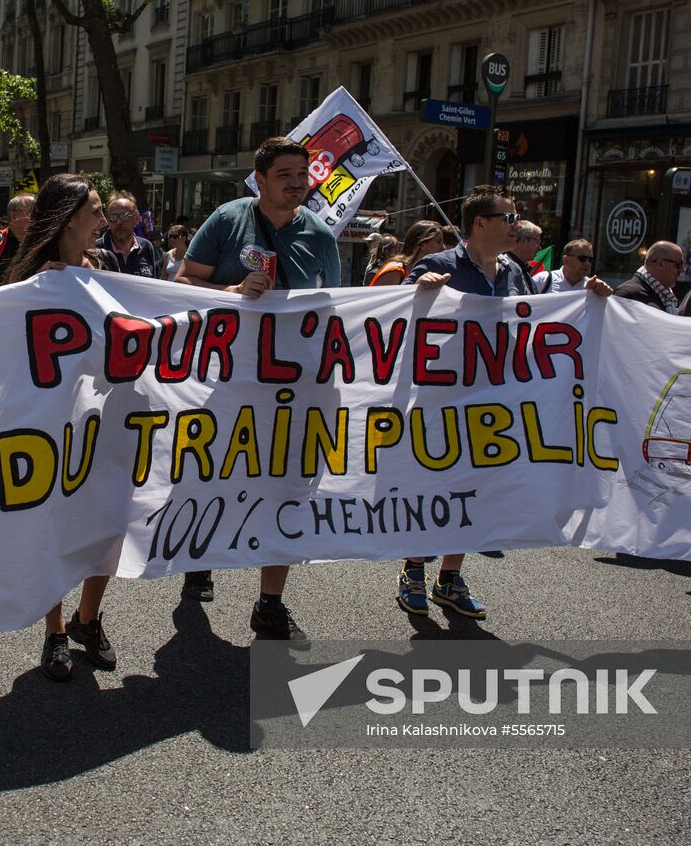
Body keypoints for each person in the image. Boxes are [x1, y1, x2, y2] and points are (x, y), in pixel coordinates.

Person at [402, 185, 611, 621]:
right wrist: (417, 290)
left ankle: (450, 578)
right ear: (481, 223)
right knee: (438, 486)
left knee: (478, 490)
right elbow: (390, 314)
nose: (516, 225)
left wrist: (587, 300)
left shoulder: (513, 272)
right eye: (509, 217)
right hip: (442, 400)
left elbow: (537, 319)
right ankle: (414, 570)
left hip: (495, 401)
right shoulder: (439, 265)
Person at [175, 137, 344, 648]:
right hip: (226, 380)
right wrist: (229, 294)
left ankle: (269, 603)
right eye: (286, 174)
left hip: (293, 389)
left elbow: (340, 307)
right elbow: (183, 281)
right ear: (261, 180)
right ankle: (199, 557)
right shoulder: (228, 220)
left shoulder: (319, 234)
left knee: (287, 487)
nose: (298, 183)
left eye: (303, 174)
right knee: (212, 474)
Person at [1, 173, 118, 682]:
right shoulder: (28, 281)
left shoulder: (107, 268)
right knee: (51, 527)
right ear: (70, 218)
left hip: (106, 421)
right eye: (95, 210)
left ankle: (87, 620)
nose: (103, 219)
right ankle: (54, 632)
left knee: (108, 524)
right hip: (48, 427)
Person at [96, 191, 161, 278]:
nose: (118, 222)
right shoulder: (96, 249)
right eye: (113, 217)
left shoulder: (146, 246)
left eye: (124, 216)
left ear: (137, 218)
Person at [614, 241, 685, 312]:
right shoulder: (627, 294)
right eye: (679, 264)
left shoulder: (667, 298)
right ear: (661, 263)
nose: (683, 270)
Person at [369, 220, 445, 287]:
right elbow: (379, 300)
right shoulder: (396, 270)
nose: (443, 248)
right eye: (438, 241)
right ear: (422, 244)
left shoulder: (430, 270)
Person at [508, 220, 546, 290]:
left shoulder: (523, 270)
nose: (539, 247)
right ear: (524, 240)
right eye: (537, 242)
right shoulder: (506, 268)